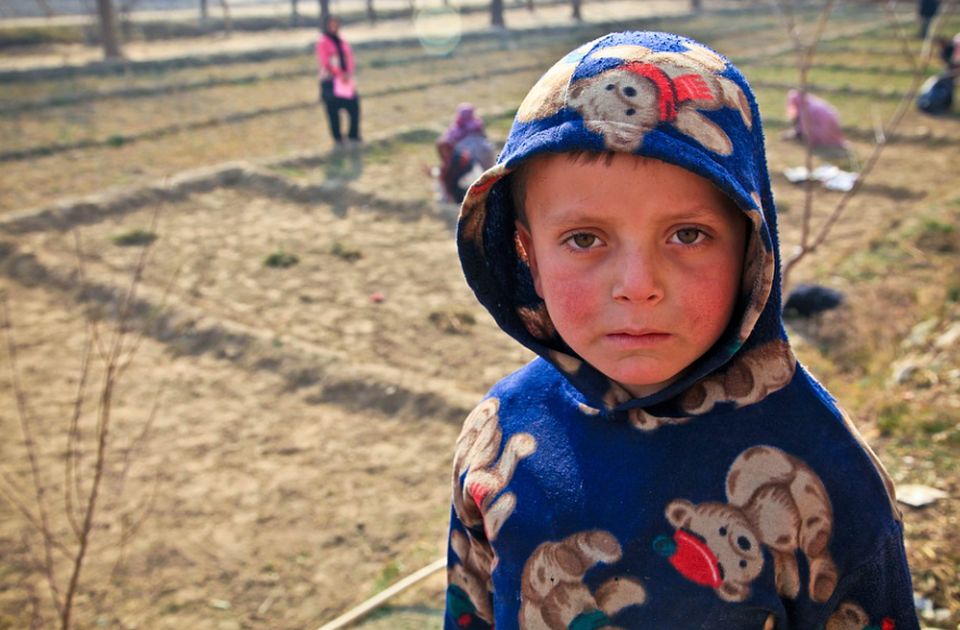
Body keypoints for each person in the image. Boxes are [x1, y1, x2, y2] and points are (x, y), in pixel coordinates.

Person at [445, 31, 918, 629]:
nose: (638, 286)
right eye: (585, 239)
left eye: (687, 235)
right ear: (527, 256)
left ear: (751, 248)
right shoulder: (497, 438)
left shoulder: (825, 477)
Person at [436, 104, 496, 203]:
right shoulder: (478, 125)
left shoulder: (456, 131)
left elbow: (445, 144)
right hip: (480, 164)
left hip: (466, 165)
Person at [316, 15, 360, 146]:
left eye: (336, 24)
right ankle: (338, 138)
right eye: (331, 24)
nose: (334, 26)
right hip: (330, 82)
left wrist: (348, 73)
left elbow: (350, 58)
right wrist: (340, 74)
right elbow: (325, 62)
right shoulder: (323, 42)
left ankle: (353, 135)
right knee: (333, 112)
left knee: (354, 107)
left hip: (346, 81)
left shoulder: (343, 41)